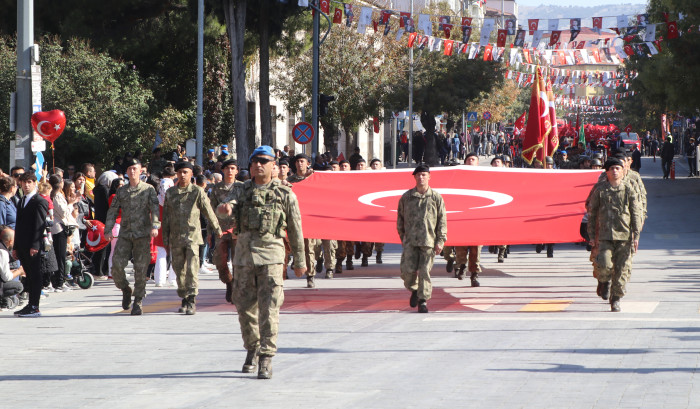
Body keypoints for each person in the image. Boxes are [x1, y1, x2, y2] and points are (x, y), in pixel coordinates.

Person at [219, 145, 307, 379]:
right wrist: (225, 208)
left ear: (273, 166)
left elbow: (296, 229)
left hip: (271, 257)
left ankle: (266, 356)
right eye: (255, 161)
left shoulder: (285, 193)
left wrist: (300, 260)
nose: (259, 165)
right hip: (244, 258)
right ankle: (252, 348)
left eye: (264, 161)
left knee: (269, 309)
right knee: (244, 308)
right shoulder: (241, 190)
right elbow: (228, 206)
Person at [162, 161, 222, 315]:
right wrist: (165, 239)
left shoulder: (197, 192)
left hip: (193, 237)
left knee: (192, 269)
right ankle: (184, 296)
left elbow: (208, 211)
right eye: (180, 172)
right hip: (176, 238)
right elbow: (166, 218)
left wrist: (217, 228)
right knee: (178, 269)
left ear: (191, 174)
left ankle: (192, 300)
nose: (182, 175)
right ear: (176, 174)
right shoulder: (171, 193)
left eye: (185, 172)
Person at [104, 159, 160, 316]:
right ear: (127, 172)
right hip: (125, 234)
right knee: (116, 267)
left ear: (141, 170)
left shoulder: (148, 189)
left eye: (135, 168)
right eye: (129, 169)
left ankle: (138, 300)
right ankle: (126, 289)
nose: (132, 171)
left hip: (142, 235)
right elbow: (113, 211)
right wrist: (108, 229)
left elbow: (155, 209)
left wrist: (155, 225)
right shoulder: (122, 191)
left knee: (141, 269)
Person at [587, 158, 642, 312]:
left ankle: (616, 298)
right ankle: (604, 282)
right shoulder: (600, 190)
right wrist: (591, 235)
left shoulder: (628, 189)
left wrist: (636, 235)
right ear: (607, 172)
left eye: (618, 168)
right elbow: (592, 213)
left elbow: (635, 212)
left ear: (622, 170)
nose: (615, 171)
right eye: (612, 168)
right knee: (604, 264)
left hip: (624, 236)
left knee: (622, 269)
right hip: (605, 236)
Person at [397, 165, 447, 313]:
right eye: (418, 175)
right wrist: (403, 238)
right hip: (410, 242)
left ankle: (423, 300)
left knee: (425, 272)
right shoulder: (406, 197)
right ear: (414, 177)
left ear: (429, 177)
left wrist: (440, 241)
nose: (421, 177)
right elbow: (400, 219)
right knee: (407, 271)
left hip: (428, 242)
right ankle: (414, 289)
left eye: (424, 175)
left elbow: (442, 220)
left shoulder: (436, 198)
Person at [13, 173, 49, 317]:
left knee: (35, 274)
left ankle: (35, 306)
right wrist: (15, 246)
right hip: (22, 244)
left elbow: (39, 225)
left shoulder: (39, 201)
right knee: (28, 274)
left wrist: (35, 245)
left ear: (35, 183)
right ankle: (29, 305)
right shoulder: (22, 200)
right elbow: (19, 225)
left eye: (29, 182)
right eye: (24, 182)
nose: (26, 185)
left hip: (33, 245)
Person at [209, 158, 241, 303]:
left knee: (237, 261)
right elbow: (210, 210)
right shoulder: (216, 188)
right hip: (220, 229)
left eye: (233, 168)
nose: (230, 171)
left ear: (237, 171)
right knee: (219, 261)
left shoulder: (242, 187)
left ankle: (235, 288)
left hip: (237, 229)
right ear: (223, 170)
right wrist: (210, 231)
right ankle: (228, 282)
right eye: (227, 168)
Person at [287, 154, 321, 288]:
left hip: (310, 218)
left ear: (308, 163)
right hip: (294, 219)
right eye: (297, 161)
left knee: (310, 248)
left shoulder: (314, 179)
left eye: (302, 161)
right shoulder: (290, 181)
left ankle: (310, 275)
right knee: (295, 246)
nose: (300, 164)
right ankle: (296, 264)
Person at [0, 227, 24, 310]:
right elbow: (6, 277)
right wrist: (19, 271)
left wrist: (12, 271)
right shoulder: (2, 252)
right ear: (10, 241)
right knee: (18, 286)